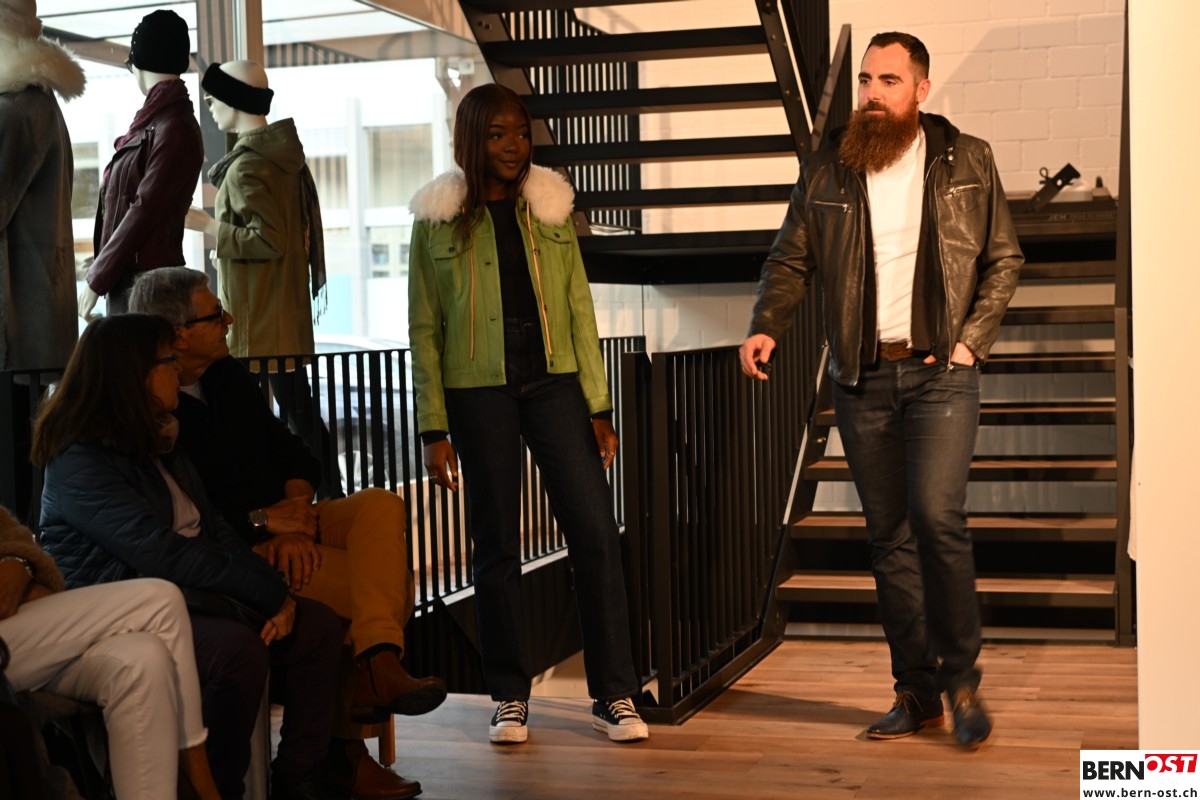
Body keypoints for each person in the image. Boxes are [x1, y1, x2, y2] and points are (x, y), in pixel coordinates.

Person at [739, 32, 1022, 749]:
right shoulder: (830, 167)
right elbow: (790, 258)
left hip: (942, 374)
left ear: (920, 90)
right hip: (863, 378)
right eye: (866, 79)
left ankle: (962, 683)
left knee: (936, 517)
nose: (871, 93)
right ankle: (917, 692)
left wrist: (971, 342)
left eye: (888, 81)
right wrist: (767, 324)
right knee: (889, 538)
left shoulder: (968, 159)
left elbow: (1003, 258)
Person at [129, 267, 437, 800]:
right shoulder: (156, 408)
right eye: (215, 314)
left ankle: (373, 679)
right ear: (178, 334)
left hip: (289, 520)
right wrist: (267, 525)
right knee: (383, 594)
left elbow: (292, 449)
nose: (229, 319)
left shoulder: (227, 376)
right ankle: (350, 737)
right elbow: (196, 515)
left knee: (381, 506)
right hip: (243, 543)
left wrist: (295, 510)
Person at [407, 83, 648, 745]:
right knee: (496, 544)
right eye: (497, 134)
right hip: (475, 388)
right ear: (471, 139)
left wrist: (598, 405)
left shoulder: (550, 208)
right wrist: (432, 427)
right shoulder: (436, 219)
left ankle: (615, 694)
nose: (514, 146)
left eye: (521, 132)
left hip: (554, 381)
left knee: (595, 532)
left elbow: (579, 309)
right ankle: (510, 696)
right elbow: (423, 329)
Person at [34, 314, 343, 800]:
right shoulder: (81, 457)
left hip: (189, 593)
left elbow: (213, 526)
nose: (178, 371)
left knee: (318, 628)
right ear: (132, 375)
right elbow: (160, 553)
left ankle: (298, 777)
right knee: (238, 651)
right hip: (124, 607)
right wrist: (266, 592)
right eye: (168, 362)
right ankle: (213, 789)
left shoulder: (158, 436)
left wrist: (267, 588)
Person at [183, 60, 336, 495]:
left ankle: (291, 498)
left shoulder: (248, 166)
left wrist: (208, 226)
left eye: (213, 99)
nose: (210, 107)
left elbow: (268, 240)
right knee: (299, 416)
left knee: (250, 421)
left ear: (235, 101)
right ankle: (331, 495)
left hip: (255, 323)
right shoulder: (285, 160)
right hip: (281, 314)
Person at [2, 505, 221, 799]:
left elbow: (15, 540)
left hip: (18, 632)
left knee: (143, 657)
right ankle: (201, 784)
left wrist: (20, 563)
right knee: (161, 601)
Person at [0, 0, 84, 524]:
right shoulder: (37, 102)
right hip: (29, 329)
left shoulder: (16, 109)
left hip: (13, 330)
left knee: (11, 482)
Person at [79, 8, 202, 318]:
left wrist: (97, 278)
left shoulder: (173, 127)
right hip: (132, 280)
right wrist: (101, 265)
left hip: (148, 289)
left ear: (139, 63)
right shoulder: (156, 123)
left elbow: (145, 208)